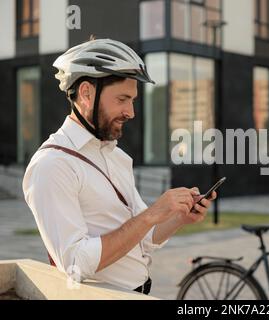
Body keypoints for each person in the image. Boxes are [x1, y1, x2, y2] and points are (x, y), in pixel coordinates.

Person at [22, 38, 216, 295]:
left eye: (132, 100)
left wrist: (178, 217)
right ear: (86, 93)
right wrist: (151, 214)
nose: (130, 112)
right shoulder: (52, 165)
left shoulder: (116, 156)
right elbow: (75, 264)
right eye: (122, 99)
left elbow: (144, 238)